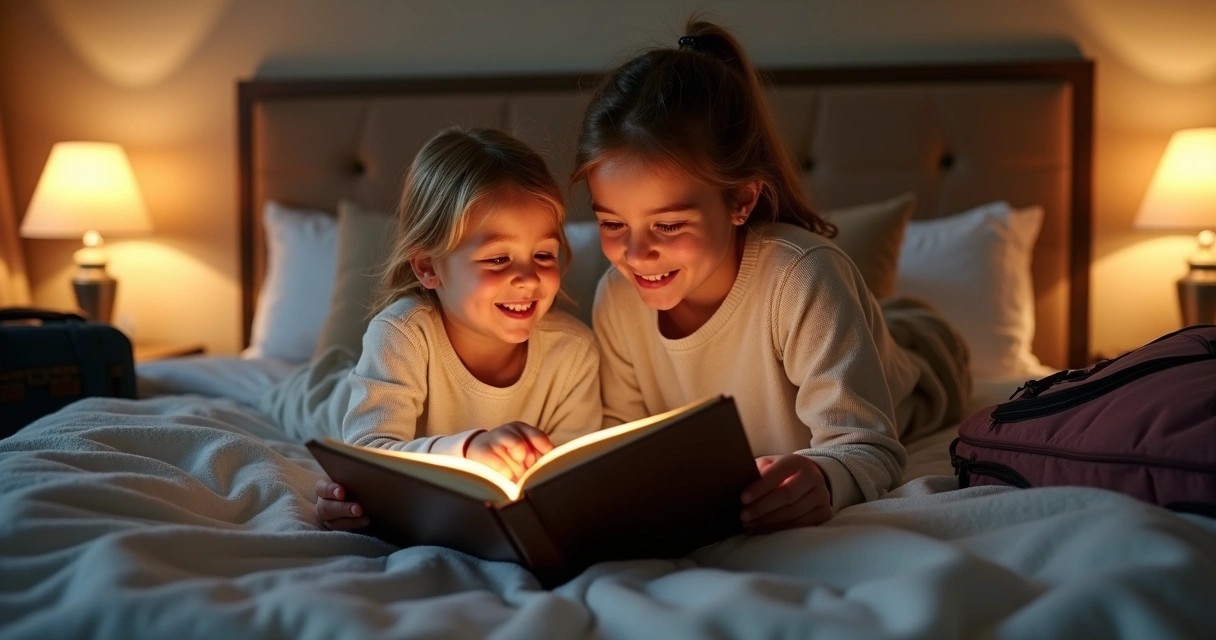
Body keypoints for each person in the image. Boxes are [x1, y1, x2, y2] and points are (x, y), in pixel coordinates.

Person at [574, 20, 966, 533]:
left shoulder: (801, 276)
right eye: (611, 224)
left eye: (668, 224)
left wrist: (826, 477)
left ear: (742, 200)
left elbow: (867, 443)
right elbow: (624, 435)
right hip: (833, 315)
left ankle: (888, 317)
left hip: (923, 365)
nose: (635, 253)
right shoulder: (616, 296)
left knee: (883, 325)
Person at [316, 128, 602, 531]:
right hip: (326, 398)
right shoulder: (402, 335)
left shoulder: (574, 354)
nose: (528, 278)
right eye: (499, 259)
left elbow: (572, 478)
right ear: (429, 267)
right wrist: (466, 450)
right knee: (305, 393)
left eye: (542, 254)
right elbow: (368, 451)